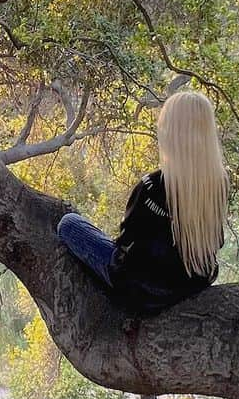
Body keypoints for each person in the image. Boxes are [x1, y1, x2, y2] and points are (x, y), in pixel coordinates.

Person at [57, 90, 228, 314]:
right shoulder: (219, 183)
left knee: (69, 223)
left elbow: (126, 241)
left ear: (171, 131)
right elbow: (216, 241)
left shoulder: (150, 186)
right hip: (192, 283)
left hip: (145, 291)